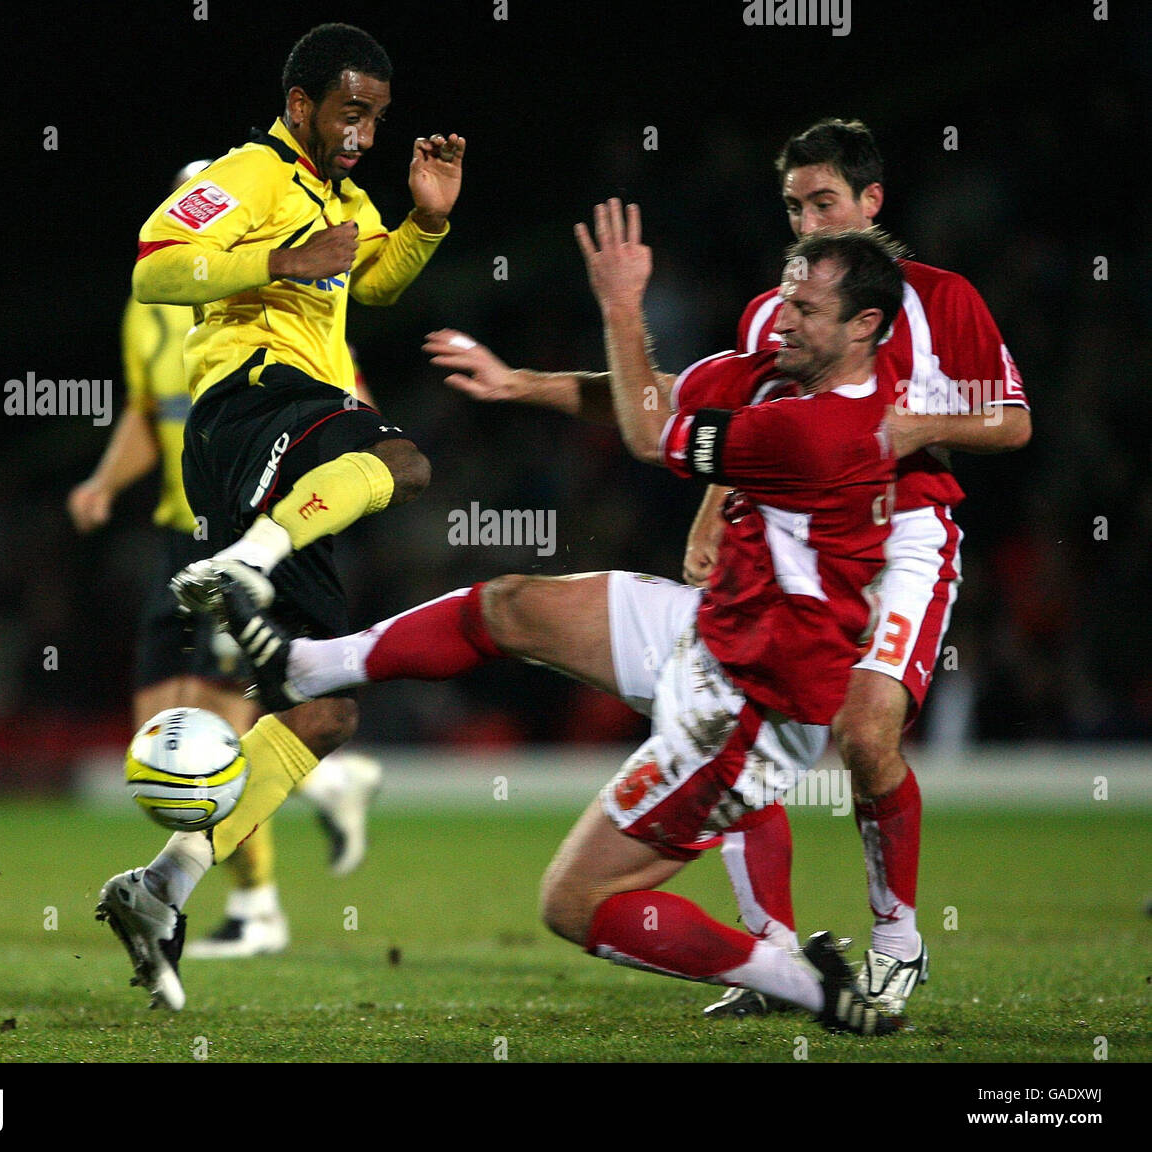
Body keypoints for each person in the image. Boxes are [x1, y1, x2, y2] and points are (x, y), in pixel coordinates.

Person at [219, 206, 907, 1036]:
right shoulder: (788, 369)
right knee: (512, 607)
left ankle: (800, 981)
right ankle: (307, 668)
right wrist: (519, 384)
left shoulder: (823, 431)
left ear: (866, 325)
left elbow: (651, 435)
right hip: (714, 627)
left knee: (574, 902)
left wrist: (621, 303)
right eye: (787, 297)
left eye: (805, 309)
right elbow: (645, 394)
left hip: (749, 706)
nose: (781, 316)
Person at [423, 119, 1032, 1019]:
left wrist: (911, 430)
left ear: (872, 202)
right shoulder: (774, 314)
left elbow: (1013, 424)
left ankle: (897, 940)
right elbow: (678, 414)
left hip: (903, 531)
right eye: (794, 206)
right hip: (794, 536)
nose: (808, 222)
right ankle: (774, 957)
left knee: (866, 736)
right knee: (739, 698)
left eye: (825, 202)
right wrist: (532, 391)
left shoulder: (943, 300)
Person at [95, 22, 463, 1008]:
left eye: (377, 119)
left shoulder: (340, 198)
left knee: (323, 707)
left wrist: (422, 224)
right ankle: (249, 557)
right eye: (351, 113)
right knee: (402, 456)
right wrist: (277, 263)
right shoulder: (250, 171)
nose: (364, 136)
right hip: (249, 404)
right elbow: (155, 264)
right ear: (299, 103)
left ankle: (162, 886)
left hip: (281, 440)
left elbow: (370, 277)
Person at [69, 162, 382, 960]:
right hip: (179, 531)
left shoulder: (285, 311)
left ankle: (257, 906)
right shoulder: (150, 318)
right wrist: (106, 482)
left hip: (239, 536)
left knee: (212, 731)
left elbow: (355, 411)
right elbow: (150, 414)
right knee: (161, 737)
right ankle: (326, 784)